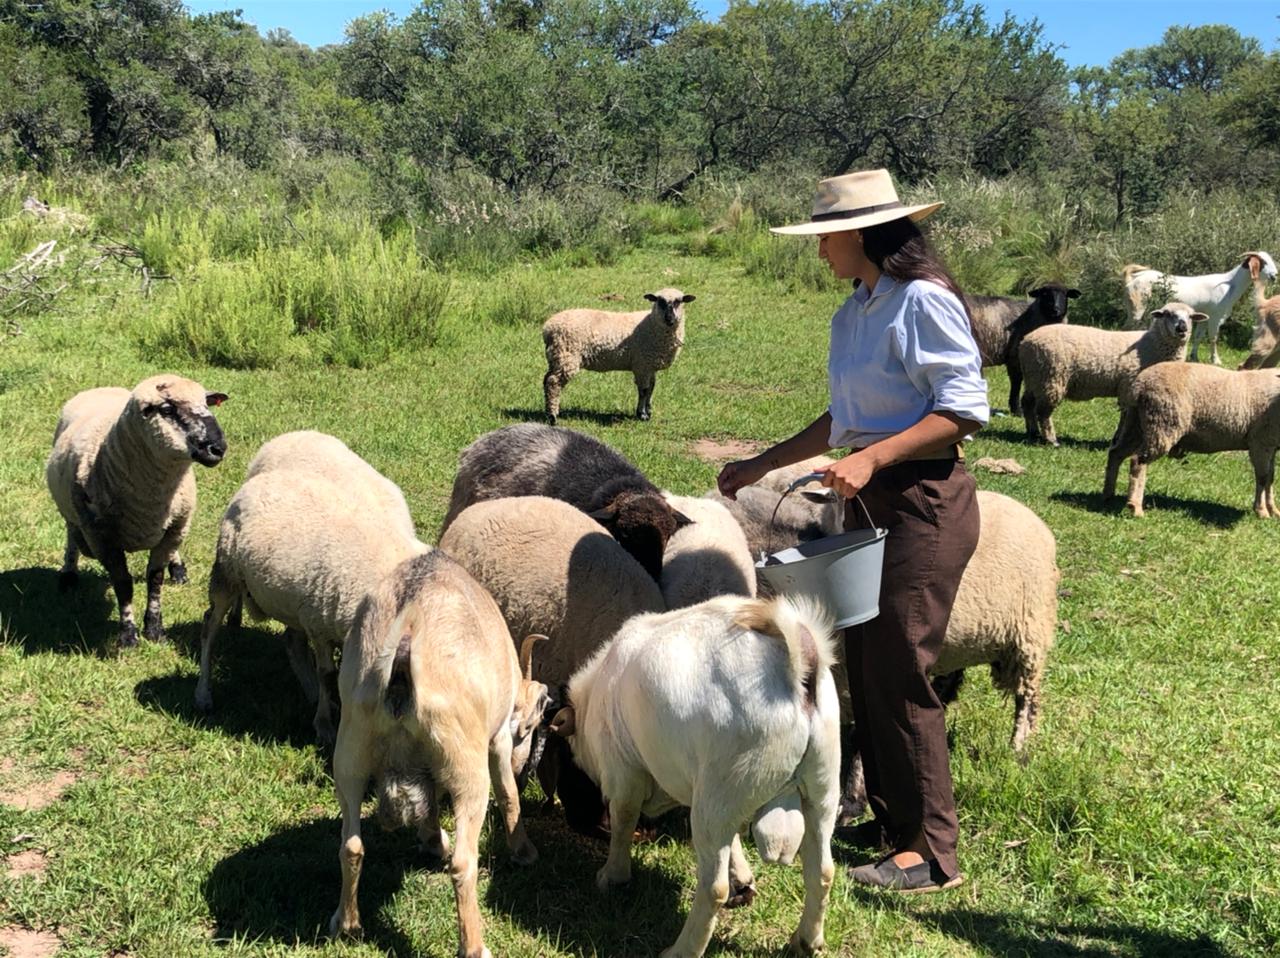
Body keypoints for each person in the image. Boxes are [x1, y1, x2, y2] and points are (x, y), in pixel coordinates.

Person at [717, 169, 988, 893]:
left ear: (864, 233)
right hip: (867, 501)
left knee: (901, 666)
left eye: (826, 236)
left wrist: (873, 458)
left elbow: (962, 410)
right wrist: (760, 463)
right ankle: (896, 821)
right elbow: (842, 419)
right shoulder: (855, 312)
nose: (820, 251)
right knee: (863, 662)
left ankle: (931, 851)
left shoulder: (922, 301)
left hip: (924, 500)